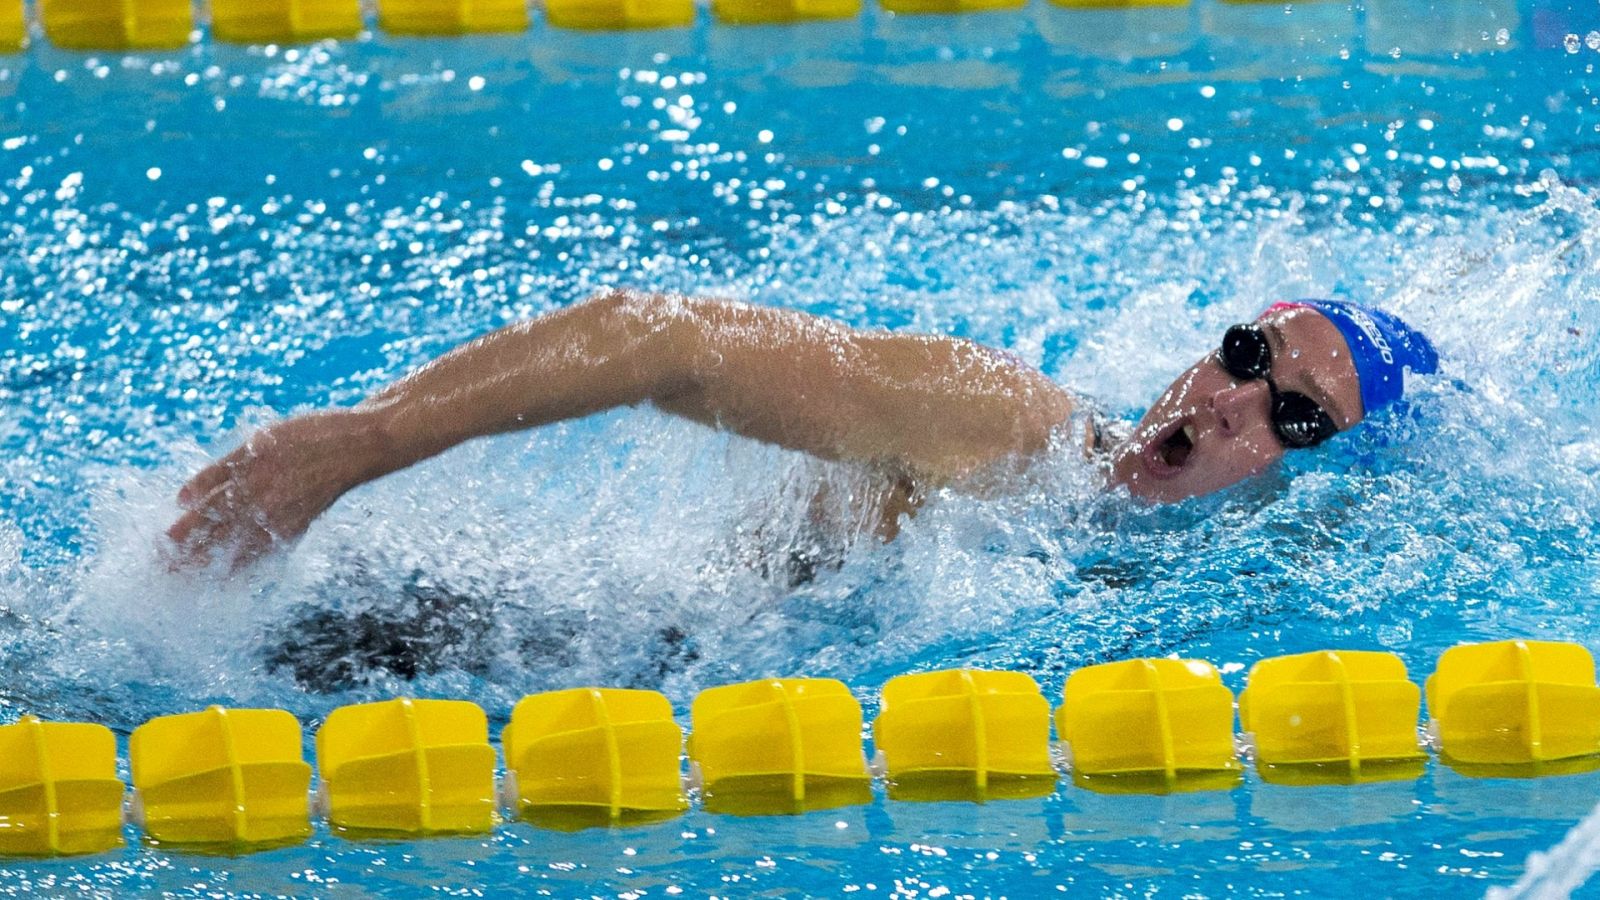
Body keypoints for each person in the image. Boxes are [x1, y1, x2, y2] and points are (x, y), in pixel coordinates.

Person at [167, 291, 1438, 571]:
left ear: (1309, 481)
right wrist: (375, 440)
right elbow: (658, 339)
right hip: (522, 661)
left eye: (1292, 419)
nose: (1226, 403)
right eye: (1242, 357)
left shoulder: (1249, 584)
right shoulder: (1008, 429)